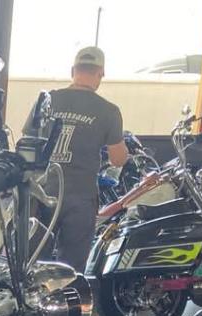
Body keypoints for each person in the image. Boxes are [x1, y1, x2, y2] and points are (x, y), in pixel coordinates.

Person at [39, 46, 128, 270]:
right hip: (80, 197)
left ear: (73, 71)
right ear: (100, 74)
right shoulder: (108, 111)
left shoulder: (47, 99)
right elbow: (118, 159)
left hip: (42, 192)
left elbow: (29, 141)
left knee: (34, 260)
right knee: (71, 267)